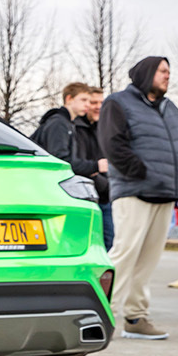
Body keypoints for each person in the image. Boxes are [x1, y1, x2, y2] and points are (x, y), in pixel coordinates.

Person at [99, 56, 178, 340]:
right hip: (134, 191)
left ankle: (136, 317)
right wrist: (140, 172)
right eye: (162, 70)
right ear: (146, 72)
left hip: (165, 192)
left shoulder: (171, 108)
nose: (167, 75)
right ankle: (102, 316)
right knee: (124, 254)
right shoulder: (118, 103)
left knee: (147, 260)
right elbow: (112, 144)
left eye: (169, 71)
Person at [32, 81, 108, 188]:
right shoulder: (58, 123)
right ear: (69, 99)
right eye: (83, 100)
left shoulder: (67, 124)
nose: (87, 104)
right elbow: (59, 162)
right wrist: (95, 166)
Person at [74, 86, 113, 248]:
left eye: (101, 103)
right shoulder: (75, 129)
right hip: (86, 196)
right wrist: (99, 177)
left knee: (110, 244)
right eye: (93, 102)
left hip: (105, 197)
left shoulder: (104, 129)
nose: (98, 107)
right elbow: (78, 165)